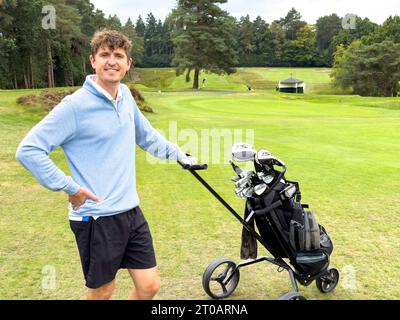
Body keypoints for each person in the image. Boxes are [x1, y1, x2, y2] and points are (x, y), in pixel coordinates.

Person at [15, 29, 193, 300]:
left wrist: (180, 155)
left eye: (119, 55)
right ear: (93, 61)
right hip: (95, 215)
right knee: (102, 290)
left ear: (128, 63)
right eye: (105, 55)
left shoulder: (125, 97)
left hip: (130, 210)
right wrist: (70, 187)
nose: (112, 61)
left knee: (149, 286)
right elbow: (29, 150)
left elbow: (146, 137)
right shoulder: (74, 106)